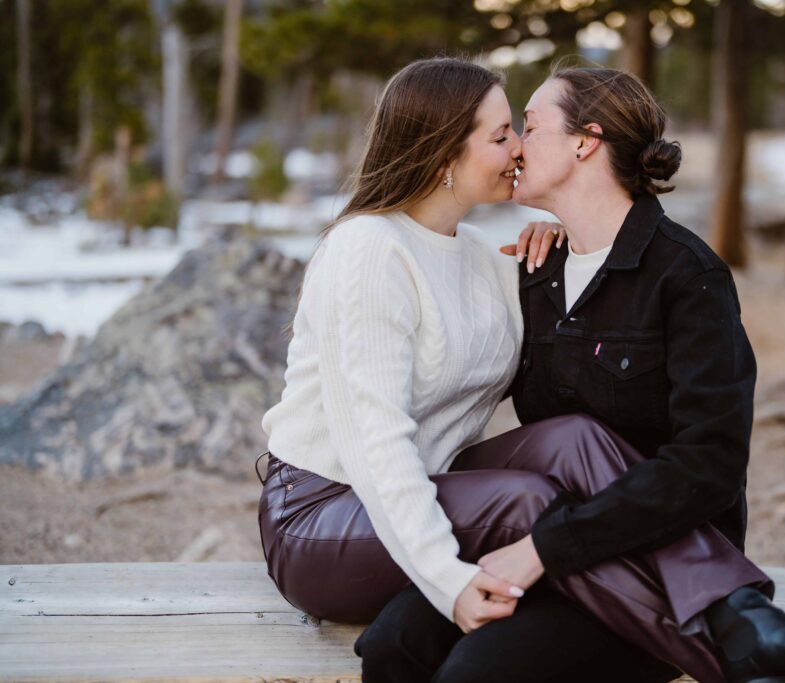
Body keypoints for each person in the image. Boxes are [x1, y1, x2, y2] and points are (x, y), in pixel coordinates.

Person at [355, 66, 785, 683]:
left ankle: (759, 639)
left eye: (529, 127)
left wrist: (547, 549)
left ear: (584, 142)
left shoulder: (687, 276)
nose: (514, 146)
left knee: (478, 672)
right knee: (392, 643)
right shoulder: (536, 270)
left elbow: (710, 465)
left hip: (656, 566)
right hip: (547, 541)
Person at [256, 56, 728, 683]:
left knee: (573, 439)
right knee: (528, 500)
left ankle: (743, 618)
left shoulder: (488, 261)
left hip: (430, 493)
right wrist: (447, 581)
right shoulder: (367, 249)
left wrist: (565, 238)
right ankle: (745, 657)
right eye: (502, 134)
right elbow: (374, 446)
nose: (517, 150)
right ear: (444, 153)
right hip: (326, 513)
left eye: (522, 130)